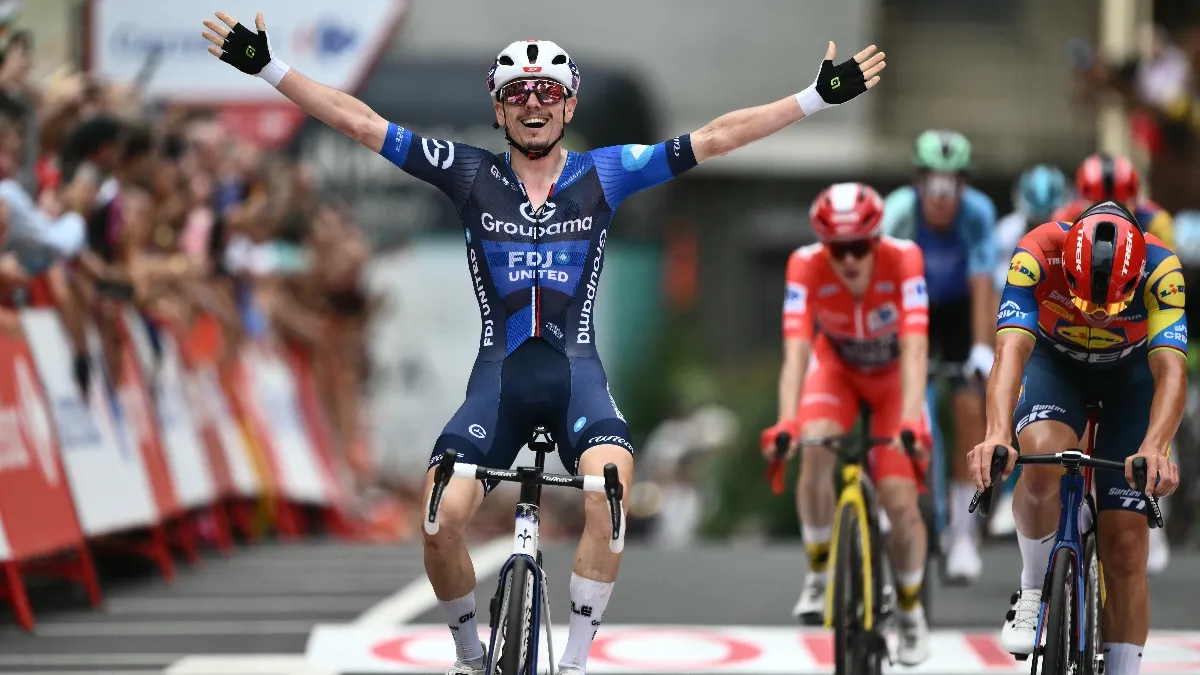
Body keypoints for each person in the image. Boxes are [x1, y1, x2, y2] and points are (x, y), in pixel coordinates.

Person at [202, 11, 885, 675]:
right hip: (497, 386)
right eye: (518, 93)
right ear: (499, 108)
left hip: (576, 379)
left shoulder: (606, 173)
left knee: (610, 492)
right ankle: (469, 655)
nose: (534, 103)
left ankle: (578, 660)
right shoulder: (468, 173)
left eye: (548, 92)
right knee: (438, 519)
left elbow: (715, 137)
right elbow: (360, 122)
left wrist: (813, 98)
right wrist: (271, 69)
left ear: (569, 104)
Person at [967, 200, 1184, 674]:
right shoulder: (1036, 252)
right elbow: (1010, 351)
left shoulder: (1163, 269)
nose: (1099, 314)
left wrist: (1155, 447)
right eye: (1085, 299)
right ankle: (1032, 586)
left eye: (1113, 302)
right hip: (1055, 365)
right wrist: (997, 433)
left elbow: (1170, 371)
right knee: (1041, 461)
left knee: (1125, 546)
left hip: (1131, 380)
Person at [761, 182, 932, 665]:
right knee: (814, 444)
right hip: (836, 371)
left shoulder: (905, 258)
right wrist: (787, 421)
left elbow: (916, 346)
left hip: (894, 379)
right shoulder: (804, 264)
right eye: (839, 249)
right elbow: (796, 350)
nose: (850, 259)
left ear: (876, 239)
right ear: (824, 247)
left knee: (899, 500)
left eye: (859, 246)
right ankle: (819, 575)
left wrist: (912, 420)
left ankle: (911, 609)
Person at [880, 129, 997, 584]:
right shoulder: (899, 212)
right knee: (912, 405)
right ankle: (902, 495)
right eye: (935, 183)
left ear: (963, 185)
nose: (943, 196)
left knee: (968, 404)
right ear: (919, 181)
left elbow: (983, 285)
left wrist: (982, 349)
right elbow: (881, 284)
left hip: (959, 312)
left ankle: (964, 536)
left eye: (952, 184)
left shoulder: (978, 213)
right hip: (911, 309)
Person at [1051, 152, 1175, 574]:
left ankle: (1150, 505)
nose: (1110, 204)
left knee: (1158, 415)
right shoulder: (1063, 221)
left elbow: (1165, 282)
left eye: (1123, 198)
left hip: (1137, 320)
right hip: (1075, 332)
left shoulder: (1157, 222)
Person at [986, 164, 1069, 538]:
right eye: (1034, 220)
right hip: (1019, 319)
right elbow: (995, 292)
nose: (1041, 228)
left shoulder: (1074, 228)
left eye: (1046, 220)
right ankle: (1008, 491)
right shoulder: (1005, 233)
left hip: (1060, 323)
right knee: (1013, 406)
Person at [1053, 153, 1174, 247]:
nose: (1110, 216)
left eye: (1120, 207)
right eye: (1098, 208)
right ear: (1082, 201)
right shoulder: (1064, 221)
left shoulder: (1156, 222)